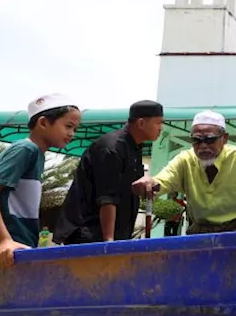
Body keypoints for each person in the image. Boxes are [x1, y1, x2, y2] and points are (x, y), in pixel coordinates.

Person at [0, 94, 82, 267]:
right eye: (68, 126)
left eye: (75, 129)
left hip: (13, 248)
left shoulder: (36, 154)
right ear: (43, 123)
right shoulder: (26, 149)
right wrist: (4, 240)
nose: (72, 134)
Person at [133, 110, 236, 233]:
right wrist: (150, 182)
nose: (203, 146)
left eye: (210, 140)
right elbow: (164, 179)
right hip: (201, 229)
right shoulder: (185, 160)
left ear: (224, 138)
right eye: (196, 140)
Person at [54, 100, 165, 244]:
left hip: (116, 234)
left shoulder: (134, 148)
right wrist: (109, 240)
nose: (161, 128)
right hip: (91, 234)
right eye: (158, 123)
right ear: (141, 123)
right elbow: (107, 197)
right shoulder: (111, 148)